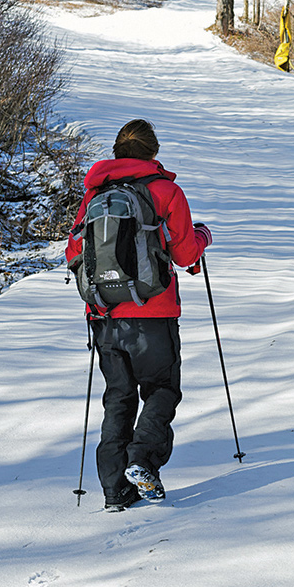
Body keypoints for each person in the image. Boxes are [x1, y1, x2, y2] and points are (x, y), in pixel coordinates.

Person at [66, 119, 212, 512]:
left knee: (118, 399)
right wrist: (204, 237)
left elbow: (73, 254)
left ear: (116, 153)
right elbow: (184, 255)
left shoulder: (94, 195)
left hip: (103, 315)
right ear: (153, 153)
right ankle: (141, 460)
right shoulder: (166, 191)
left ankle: (115, 491)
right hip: (154, 313)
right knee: (162, 389)